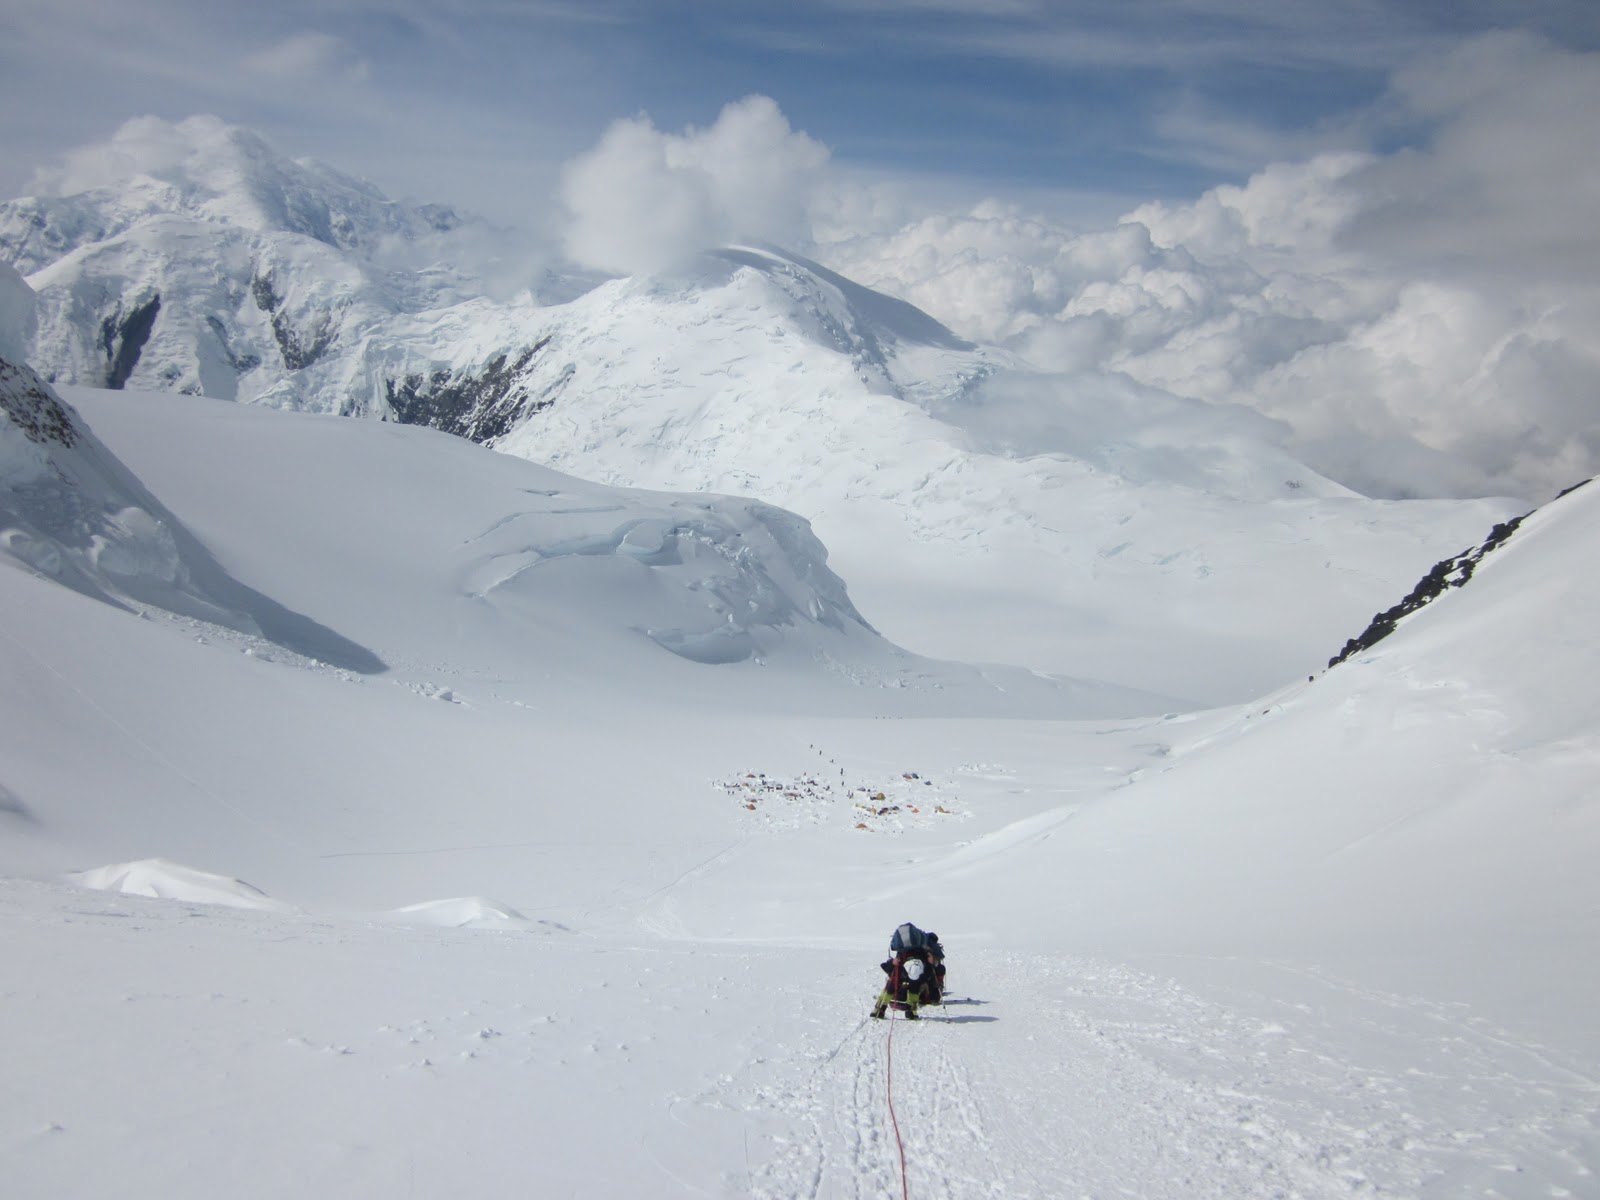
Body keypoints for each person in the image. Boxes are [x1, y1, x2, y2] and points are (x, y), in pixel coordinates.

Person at [871, 922, 939, 1018]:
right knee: (913, 990)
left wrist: (893, 964)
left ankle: (879, 1010)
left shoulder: (906, 952)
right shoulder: (921, 955)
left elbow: (887, 966)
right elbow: (929, 973)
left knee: (891, 988)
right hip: (910, 971)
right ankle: (910, 1011)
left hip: (903, 969)